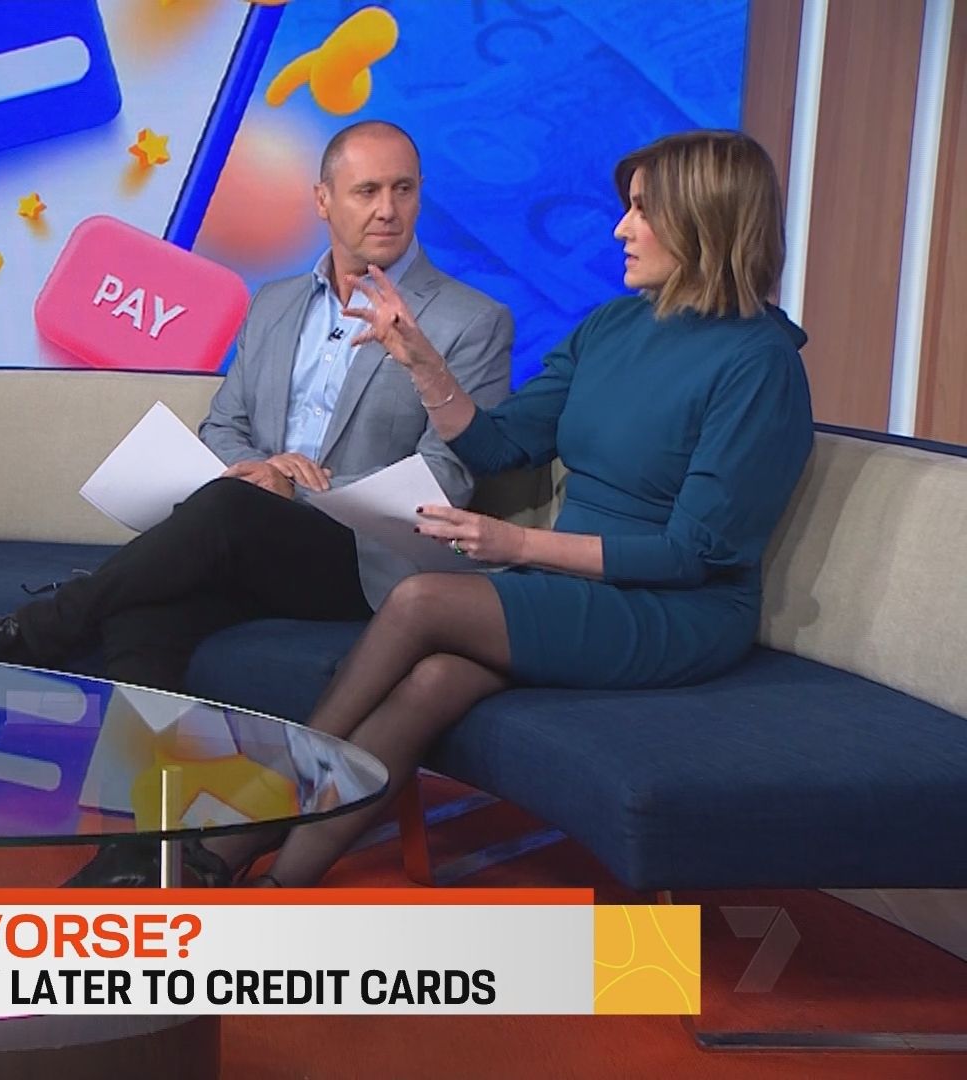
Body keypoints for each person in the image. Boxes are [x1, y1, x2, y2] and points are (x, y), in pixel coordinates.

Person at [200, 129, 814, 888]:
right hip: (576, 586)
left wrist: (517, 546)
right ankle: (276, 885)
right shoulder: (613, 326)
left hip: (675, 609)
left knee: (422, 601)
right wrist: (424, 363)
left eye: (642, 211)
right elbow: (500, 445)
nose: (621, 228)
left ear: (704, 221)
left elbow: (697, 553)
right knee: (434, 682)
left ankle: (249, 819)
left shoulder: (759, 364)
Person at [0, 121, 514, 692]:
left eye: (402, 189)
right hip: (251, 543)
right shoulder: (274, 302)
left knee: (227, 506)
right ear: (324, 200)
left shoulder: (471, 321)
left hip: (365, 560)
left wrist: (292, 489)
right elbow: (225, 423)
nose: (387, 209)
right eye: (367, 191)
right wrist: (264, 470)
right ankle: (141, 763)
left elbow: (447, 478)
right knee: (142, 612)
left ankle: (35, 630)